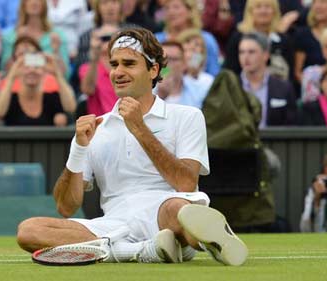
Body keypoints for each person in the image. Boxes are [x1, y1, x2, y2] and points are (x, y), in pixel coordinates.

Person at [16, 27, 248, 266]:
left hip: (165, 213)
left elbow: (186, 182)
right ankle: (142, 249)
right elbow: (66, 207)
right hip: (113, 225)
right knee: (29, 230)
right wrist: (79, 148)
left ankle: (200, 240)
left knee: (179, 208)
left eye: (129, 64)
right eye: (114, 64)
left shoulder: (188, 116)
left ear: (153, 70)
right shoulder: (96, 127)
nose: (118, 72)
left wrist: (138, 128)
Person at [0, 41, 76, 126]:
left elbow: (71, 108)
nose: (32, 70)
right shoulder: (11, 98)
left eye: (37, 67)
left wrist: (57, 74)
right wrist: (11, 76)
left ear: (44, 71)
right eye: (27, 66)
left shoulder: (52, 98)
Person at [223, 0, 294, 81]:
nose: (263, 11)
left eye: (267, 7)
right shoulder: (238, 38)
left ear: (274, 11)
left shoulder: (284, 40)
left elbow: (290, 74)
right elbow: (230, 71)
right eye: (258, 7)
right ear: (250, 11)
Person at [238, 32, 297, 127]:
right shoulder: (230, 88)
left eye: (251, 52)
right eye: (242, 52)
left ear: (265, 55)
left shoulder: (284, 88)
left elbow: (291, 127)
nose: (245, 57)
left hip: (274, 141)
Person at [0, 0, 70, 78]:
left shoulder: (57, 35)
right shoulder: (10, 36)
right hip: (18, 86)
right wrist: (18, 43)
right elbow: (6, 71)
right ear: (23, 5)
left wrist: (56, 52)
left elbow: (65, 74)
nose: (34, 2)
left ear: (44, 4)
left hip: (50, 86)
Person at [154, 0, 221, 76]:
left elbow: (214, 73)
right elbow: (157, 73)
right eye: (167, 8)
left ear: (190, 11)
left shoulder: (204, 40)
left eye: (176, 7)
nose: (171, 12)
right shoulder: (157, 40)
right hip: (165, 85)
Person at [78, 25, 119, 116]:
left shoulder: (127, 66)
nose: (107, 42)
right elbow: (88, 90)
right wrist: (94, 59)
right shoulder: (86, 68)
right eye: (104, 38)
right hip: (100, 124)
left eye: (111, 38)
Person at [156, 41, 210, 109]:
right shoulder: (147, 90)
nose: (168, 64)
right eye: (163, 59)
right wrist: (160, 95)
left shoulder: (199, 90)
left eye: (173, 59)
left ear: (184, 63)